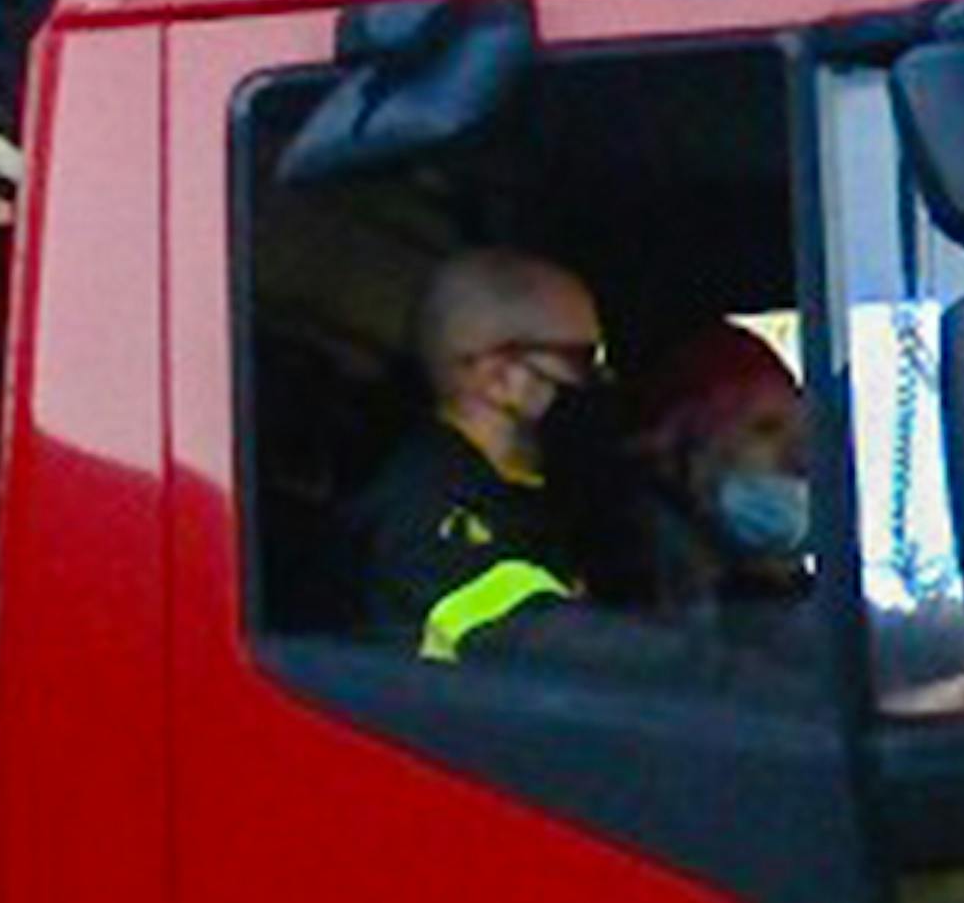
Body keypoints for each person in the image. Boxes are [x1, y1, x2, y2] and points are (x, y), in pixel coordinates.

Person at [346, 247, 619, 664]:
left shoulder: (527, 496)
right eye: (581, 360)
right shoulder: (426, 518)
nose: (599, 380)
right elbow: (544, 649)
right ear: (499, 376)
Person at [617, 319, 819, 626]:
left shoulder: (819, 610)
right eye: (765, 430)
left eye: (806, 433)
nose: (802, 460)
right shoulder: (636, 615)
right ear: (676, 455)